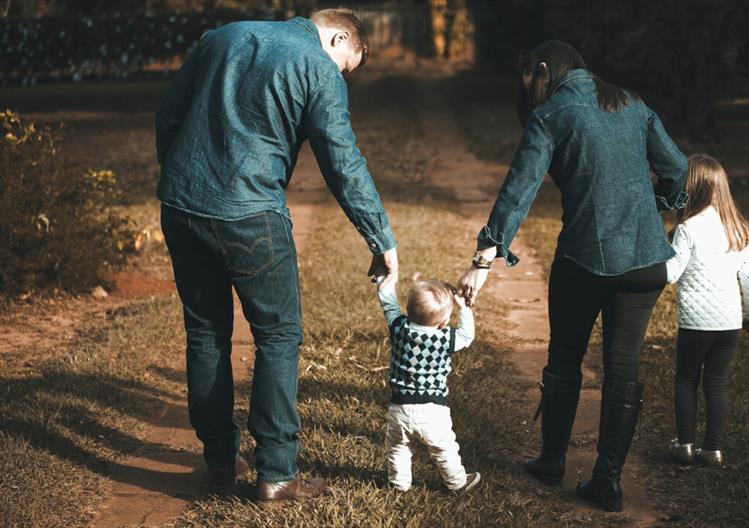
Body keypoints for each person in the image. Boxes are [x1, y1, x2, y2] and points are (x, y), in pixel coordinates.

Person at [155, 9, 399, 502]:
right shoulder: (318, 67)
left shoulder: (220, 36)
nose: (341, 75)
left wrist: (183, 180)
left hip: (181, 207)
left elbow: (168, 115)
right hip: (250, 215)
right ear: (338, 36)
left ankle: (221, 463)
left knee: (206, 334)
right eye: (346, 65)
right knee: (279, 336)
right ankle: (278, 472)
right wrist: (380, 238)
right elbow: (342, 162)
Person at [457, 40, 688, 512]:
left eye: (532, 84)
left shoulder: (552, 114)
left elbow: (516, 194)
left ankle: (551, 461)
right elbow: (678, 170)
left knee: (564, 359)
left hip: (585, 262)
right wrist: (659, 206)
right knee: (623, 368)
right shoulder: (631, 101)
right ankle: (608, 480)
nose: (532, 96)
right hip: (646, 264)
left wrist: (482, 263)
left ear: (543, 70)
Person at [665, 154, 749, 467]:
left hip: (695, 323)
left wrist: (655, 258)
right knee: (717, 381)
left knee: (687, 379)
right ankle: (713, 450)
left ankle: (685, 445)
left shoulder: (688, 229)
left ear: (690, 189)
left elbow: (671, 274)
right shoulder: (736, 229)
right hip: (729, 322)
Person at [376, 275, 481, 492]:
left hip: (399, 407)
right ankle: (457, 483)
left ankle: (399, 485)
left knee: (398, 448)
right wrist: (464, 309)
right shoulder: (446, 338)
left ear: (409, 310)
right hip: (433, 410)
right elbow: (467, 336)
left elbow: (388, 305)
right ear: (443, 322)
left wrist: (383, 282)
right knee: (444, 449)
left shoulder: (399, 328)